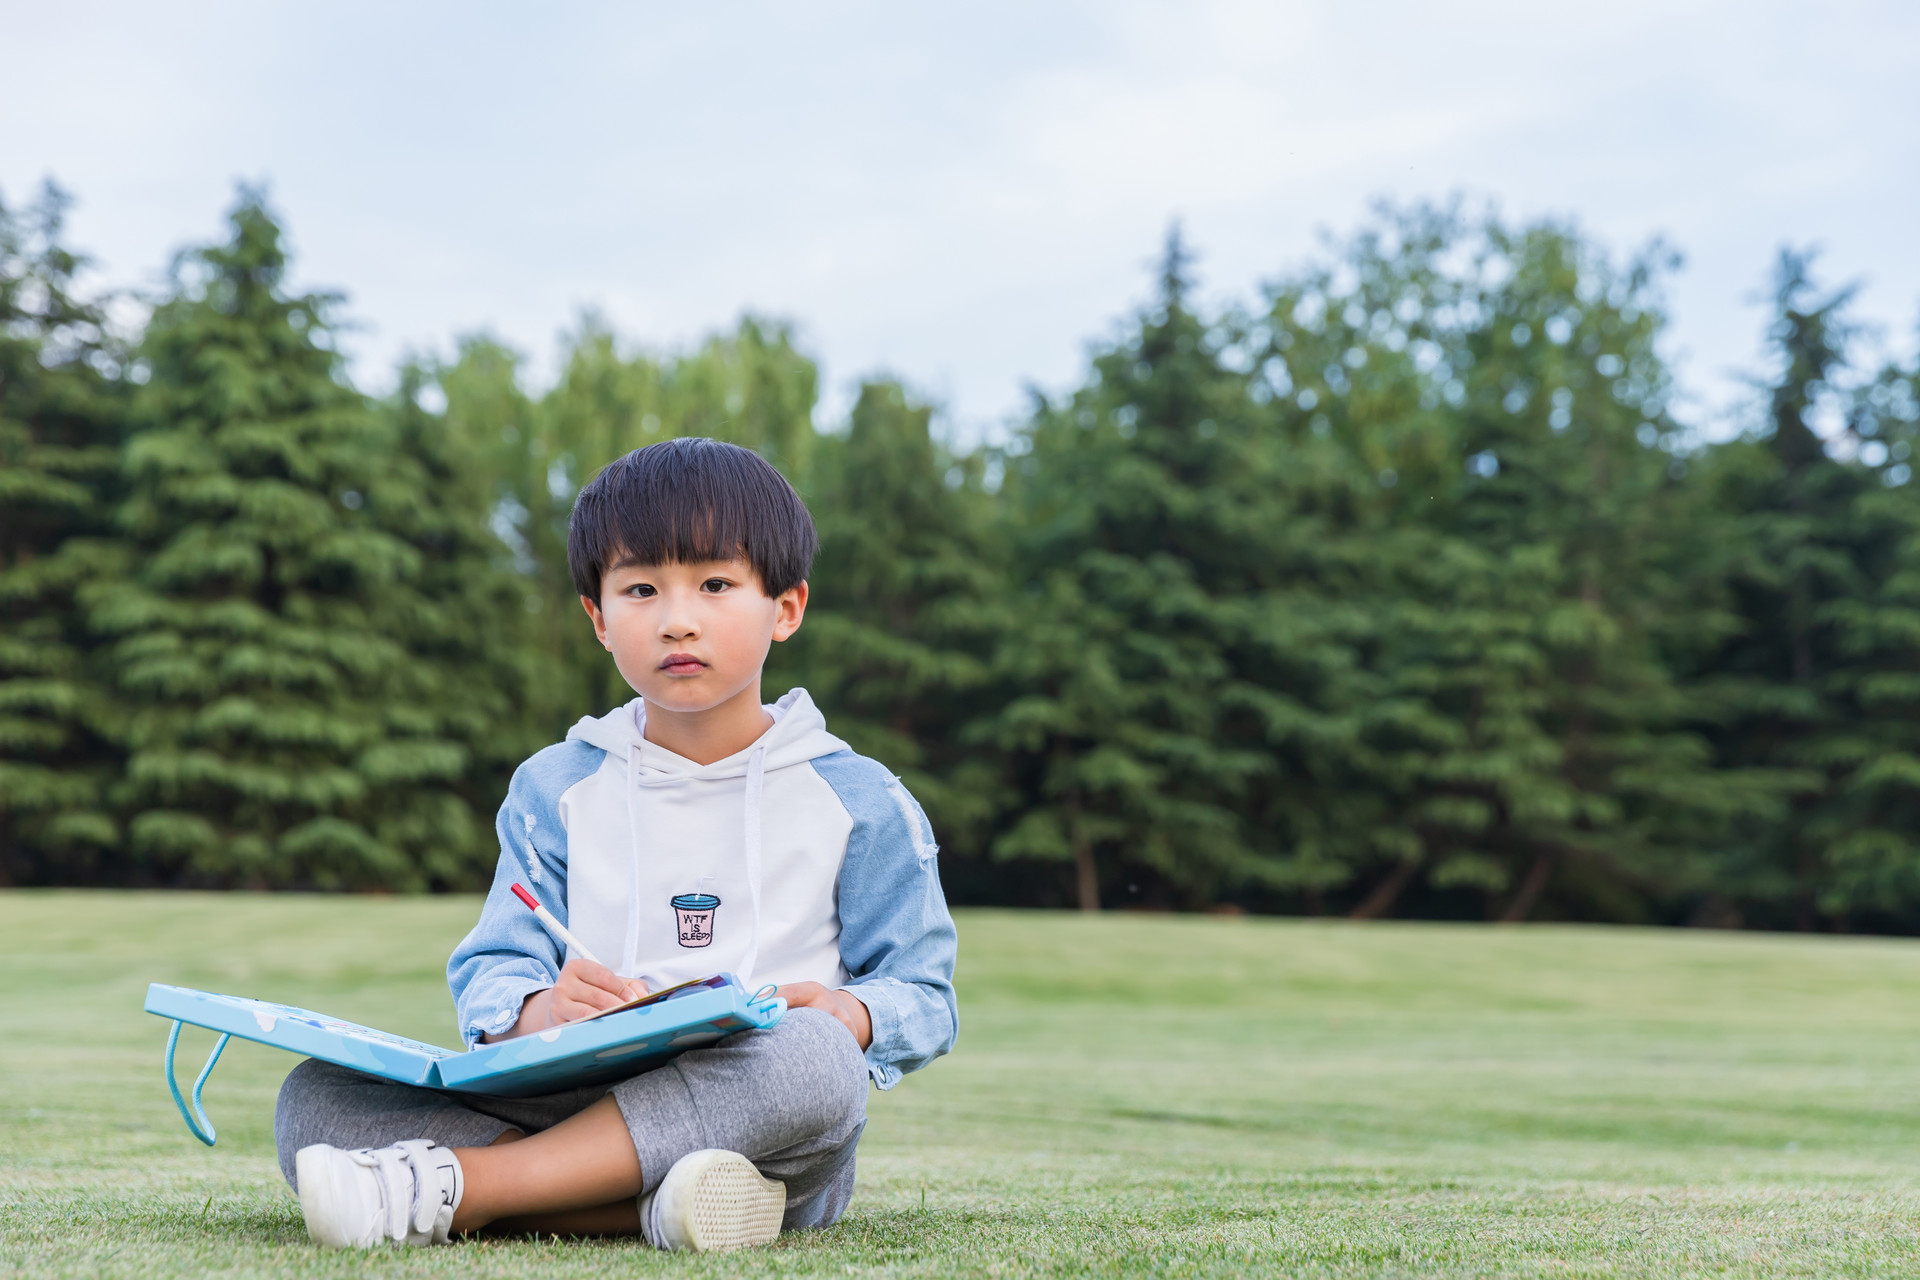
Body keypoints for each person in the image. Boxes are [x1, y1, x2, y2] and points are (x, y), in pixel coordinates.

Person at [275, 437, 959, 1251]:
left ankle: (473, 1187)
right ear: (598, 618)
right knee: (315, 1095)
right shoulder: (553, 786)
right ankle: (656, 1211)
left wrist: (851, 1013)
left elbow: (924, 992)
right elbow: (495, 966)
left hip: (755, 1118)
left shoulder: (861, 799)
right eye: (641, 589)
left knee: (816, 1059)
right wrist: (541, 1012)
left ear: (786, 607)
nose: (677, 620)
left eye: (714, 584)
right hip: (571, 1096)